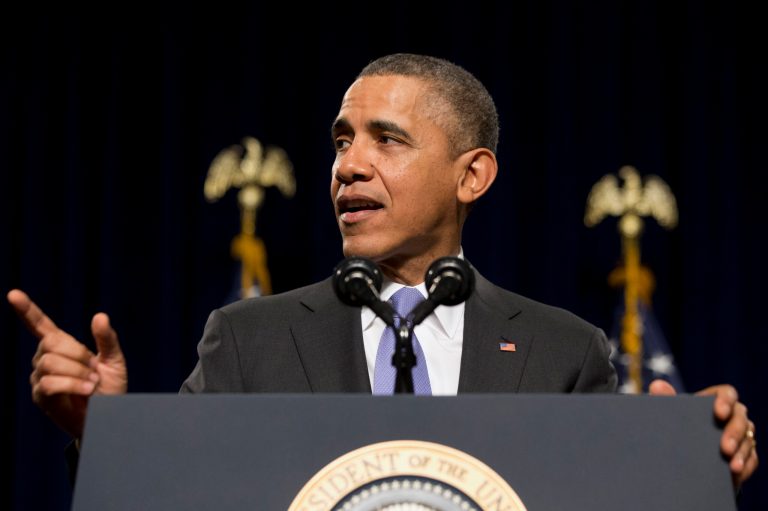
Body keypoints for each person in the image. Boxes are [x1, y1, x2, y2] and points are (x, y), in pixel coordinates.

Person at [7, 53, 758, 490]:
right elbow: (184, 500)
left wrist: (691, 465)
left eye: (387, 140)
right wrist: (101, 433)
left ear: (473, 176)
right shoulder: (247, 337)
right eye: (341, 141)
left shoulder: (564, 349)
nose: (347, 166)